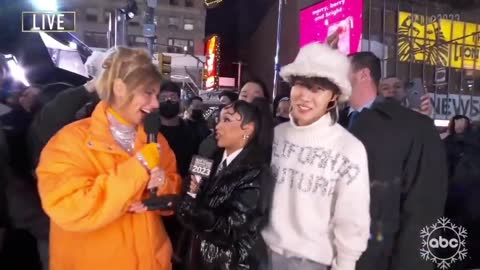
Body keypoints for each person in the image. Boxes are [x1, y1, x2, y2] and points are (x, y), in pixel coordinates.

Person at [36, 47, 182, 270]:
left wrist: (160, 187)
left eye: (156, 94)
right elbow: (70, 208)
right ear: (119, 88)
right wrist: (139, 167)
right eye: (147, 93)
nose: (155, 104)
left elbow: (173, 195)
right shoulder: (69, 142)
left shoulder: (155, 139)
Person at [262, 43, 371, 270]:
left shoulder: (349, 148)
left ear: (334, 97)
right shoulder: (276, 135)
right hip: (260, 252)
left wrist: (345, 264)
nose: (305, 97)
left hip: (309, 263)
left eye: (317, 89)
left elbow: (352, 219)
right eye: (300, 85)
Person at [340, 51, 447, 270]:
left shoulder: (416, 127)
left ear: (363, 75)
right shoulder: (330, 123)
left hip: (381, 258)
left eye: (338, 70)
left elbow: (424, 209)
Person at [177, 100, 273, 270]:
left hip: (230, 263)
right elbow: (188, 190)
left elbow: (230, 229)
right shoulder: (209, 157)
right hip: (196, 257)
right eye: (219, 119)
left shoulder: (256, 172)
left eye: (226, 120)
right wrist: (189, 193)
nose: (217, 126)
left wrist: (191, 207)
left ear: (248, 129)